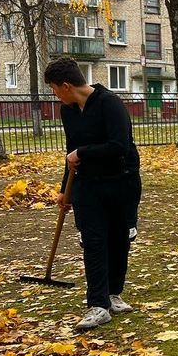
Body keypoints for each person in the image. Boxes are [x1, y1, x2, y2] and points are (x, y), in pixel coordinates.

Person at [45, 57, 142, 332]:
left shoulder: (109, 104)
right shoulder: (69, 111)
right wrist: (66, 191)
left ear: (65, 86)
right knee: (94, 241)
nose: (54, 95)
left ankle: (113, 294)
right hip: (88, 185)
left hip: (121, 182)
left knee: (119, 240)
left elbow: (119, 146)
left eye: (54, 89)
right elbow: (71, 155)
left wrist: (83, 153)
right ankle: (98, 305)